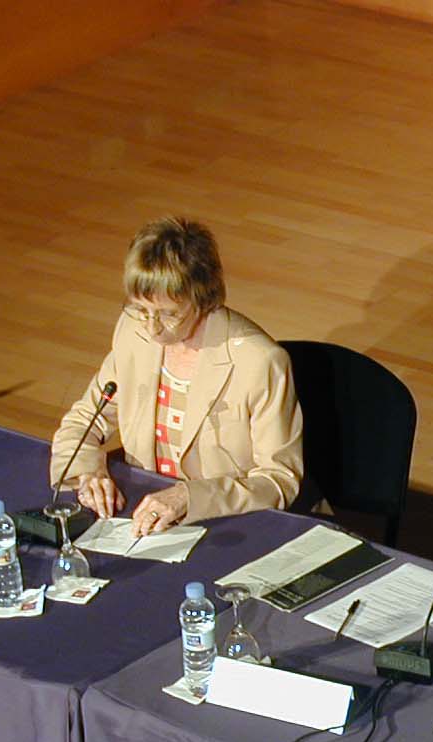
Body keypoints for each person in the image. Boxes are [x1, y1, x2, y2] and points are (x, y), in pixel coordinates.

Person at [49, 217, 302, 533]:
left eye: (168, 314)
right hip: (145, 513)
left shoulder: (259, 362)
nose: (152, 327)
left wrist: (190, 497)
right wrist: (89, 473)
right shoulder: (133, 331)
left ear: (202, 298)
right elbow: (84, 421)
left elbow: (279, 480)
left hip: (226, 524)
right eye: (142, 310)